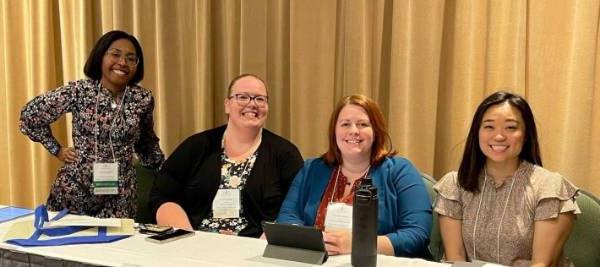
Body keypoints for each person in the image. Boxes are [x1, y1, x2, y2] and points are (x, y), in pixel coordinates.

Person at [19, 30, 165, 218]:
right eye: (115, 54)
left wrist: (165, 174)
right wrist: (56, 149)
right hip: (75, 188)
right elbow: (30, 116)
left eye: (131, 58)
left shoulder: (142, 99)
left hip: (120, 194)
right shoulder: (79, 91)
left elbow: (146, 142)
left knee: (116, 245)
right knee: (66, 245)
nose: (123, 62)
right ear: (101, 56)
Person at [434, 91, 580, 266]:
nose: (499, 136)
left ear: (526, 135)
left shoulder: (549, 186)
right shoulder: (455, 185)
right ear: (477, 132)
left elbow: (542, 264)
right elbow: (455, 259)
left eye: (511, 127)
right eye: (489, 126)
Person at [276, 94, 432, 257]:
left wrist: (360, 243)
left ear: (376, 131)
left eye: (363, 124)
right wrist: (307, 241)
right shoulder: (312, 169)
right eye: (345, 124)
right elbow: (288, 216)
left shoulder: (400, 171)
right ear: (334, 131)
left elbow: (417, 235)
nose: (353, 131)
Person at [150, 74, 304, 238]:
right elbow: (162, 194)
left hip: (254, 249)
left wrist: (264, 244)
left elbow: (297, 208)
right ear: (227, 105)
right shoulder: (197, 145)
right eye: (242, 97)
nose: (252, 104)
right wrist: (187, 239)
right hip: (195, 244)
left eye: (260, 99)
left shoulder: (285, 154)